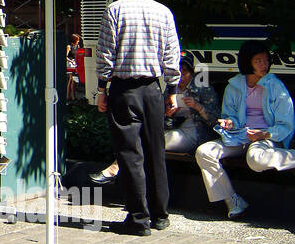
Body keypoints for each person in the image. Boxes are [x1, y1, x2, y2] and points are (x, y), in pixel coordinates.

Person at [193, 40, 295, 220]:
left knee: (255, 160)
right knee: (204, 152)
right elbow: (230, 115)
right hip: (239, 136)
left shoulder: (275, 86)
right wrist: (229, 123)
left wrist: (265, 134)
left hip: (265, 137)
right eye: (258, 61)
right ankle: (232, 200)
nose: (264, 65)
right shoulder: (234, 86)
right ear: (248, 62)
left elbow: (286, 124)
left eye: (265, 60)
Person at [96, 0, 182, 235]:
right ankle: (160, 215)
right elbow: (172, 56)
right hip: (154, 91)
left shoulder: (114, 11)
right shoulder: (163, 12)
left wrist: (101, 89)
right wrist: (172, 92)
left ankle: (138, 218)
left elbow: (105, 55)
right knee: (155, 151)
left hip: (125, 90)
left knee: (130, 154)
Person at [88, 54, 220, 184]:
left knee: (154, 142)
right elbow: (160, 115)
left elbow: (215, 119)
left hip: (195, 132)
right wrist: (168, 113)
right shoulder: (172, 89)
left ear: (192, 73)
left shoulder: (203, 88)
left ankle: (116, 169)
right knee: (146, 140)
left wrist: (198, 107)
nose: (181, 77)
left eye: (184, 72)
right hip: (173, 128)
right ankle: (127, 180)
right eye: (178, 73)